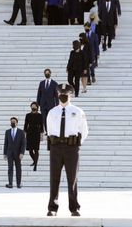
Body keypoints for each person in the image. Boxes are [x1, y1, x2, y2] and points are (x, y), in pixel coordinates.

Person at [46, 83, 89, 217]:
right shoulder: (52, 112)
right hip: (56, 147)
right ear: (58, 95)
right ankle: (52, 208)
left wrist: (76, 144)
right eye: (61, 94)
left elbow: (84, 130)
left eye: (66, 94)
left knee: (72, 178)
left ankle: (74, 207)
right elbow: (49, 130)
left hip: (71, 148)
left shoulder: (78, 111)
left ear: (70, 95)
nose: (63, 96)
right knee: (54, 178)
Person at [3, 117, 26, 189]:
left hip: (18, 153)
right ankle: (10, 184)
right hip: (9, 153)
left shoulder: (21, 132)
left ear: (17, 123)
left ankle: (18, 184)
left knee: (18, 168)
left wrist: (22, 153)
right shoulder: (7, 132)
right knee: (10, 168)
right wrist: (4, 154)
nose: (12, 123)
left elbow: (23, 143)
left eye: (14, 122)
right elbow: (5, 143)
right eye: (11, 122)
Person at [36, 68, 59, 133]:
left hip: (51, 104)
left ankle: (51, 130)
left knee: (50, 118)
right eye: (46, 73)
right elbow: (39, 93)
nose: (47, 74)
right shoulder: (41, 83)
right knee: (44, 118)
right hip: (43, 104)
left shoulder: (54, 83)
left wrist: (57, 104)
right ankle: (47, 131)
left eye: (48, 73)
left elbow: (56, 95)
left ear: (50, 74)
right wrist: (37, 104)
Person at [24, 102, 44, 171]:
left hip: (36, 133)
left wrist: (41, 134)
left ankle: (35, 165)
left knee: (36, 149)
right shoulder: (28, 115)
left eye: (34, 106)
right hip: (30, 133)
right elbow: (25, 125)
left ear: (37, 107)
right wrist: (25, 133)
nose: (33, 107)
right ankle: (35, 161)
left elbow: (42, 125)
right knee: (30, 150)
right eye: (32, 106)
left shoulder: (40, 115)